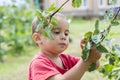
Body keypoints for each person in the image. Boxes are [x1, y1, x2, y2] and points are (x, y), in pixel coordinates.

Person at [28, 13, 101, 80]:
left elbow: (93, 66)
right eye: (56, 32)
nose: (63, 37)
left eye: (66, 33)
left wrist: (90, 55)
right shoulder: (38, 63)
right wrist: (86, 61)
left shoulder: (66, 59)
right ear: (38, 38)